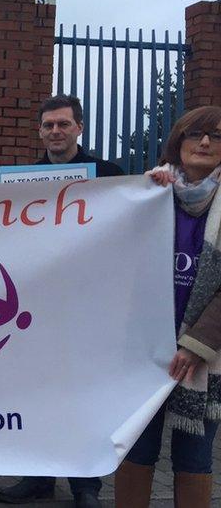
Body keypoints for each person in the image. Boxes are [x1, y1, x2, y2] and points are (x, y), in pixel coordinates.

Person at [0, 95, 122, 508]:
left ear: (79, 128)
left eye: (63, 124)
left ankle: (87, 485)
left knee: (83, 395)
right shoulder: (22, 181)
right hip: (34, 306)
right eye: (48, 125)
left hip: (87, 305)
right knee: (36, 392)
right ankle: (38, 477)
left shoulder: (109, 176)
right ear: (39, 130)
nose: (55, 132)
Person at [116, 106, 221, 508]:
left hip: (202, 359)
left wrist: (196, 345)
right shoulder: (150, 193)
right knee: (136, 450)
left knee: (193, 457)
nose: (206, 143)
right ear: (178, 142)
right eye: (196, 135)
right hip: (144, 350)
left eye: (215, 136)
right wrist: (138, 196)